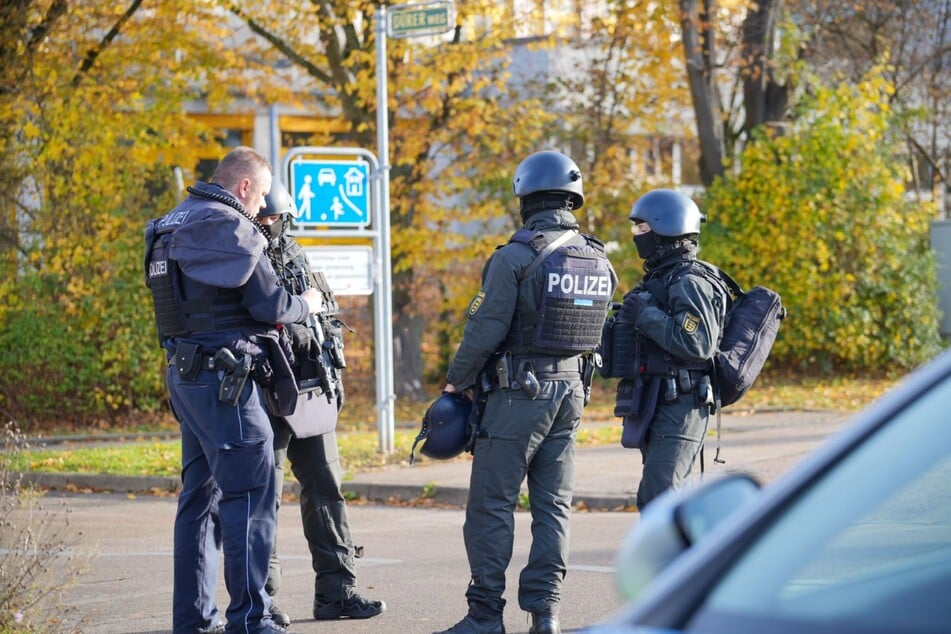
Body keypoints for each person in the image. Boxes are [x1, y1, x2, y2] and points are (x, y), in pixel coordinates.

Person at [145, 146, 324, 634]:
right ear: (244, 186)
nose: (262, 204)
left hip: (186, 378)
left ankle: (193, 621)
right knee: (249, 493)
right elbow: (270, 303)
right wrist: (306, 304)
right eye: (262, 193)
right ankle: (251, 618)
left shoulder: (167, 225)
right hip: (228, 383)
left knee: (198, 501)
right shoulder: (230, 224)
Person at [436, 150, 617, 634]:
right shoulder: (599, 259)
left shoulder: (515, 257)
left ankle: (484, 616)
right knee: (553, 506)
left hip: (519, 396)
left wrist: (458, 380)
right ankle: (546, 613)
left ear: (527, 198)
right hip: (571, 393)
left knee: (492, 505)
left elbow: (484, 330)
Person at [256, 184, 385, 627]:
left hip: (310, 391)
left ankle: (338, 592)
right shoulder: (240, 255)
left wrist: (334, 374)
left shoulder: (297, 257)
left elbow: (325, 319)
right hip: (264, 394)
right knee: (263, 499)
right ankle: (263, 603)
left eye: (270, 217)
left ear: (285, 217)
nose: (264, 223)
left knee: (326, 490)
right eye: (260, 217)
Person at [616, 188, 729, 510]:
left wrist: (645, 314)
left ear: (667, 227)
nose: (637, 235)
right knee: (657, 497)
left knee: (661, 499)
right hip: (659, 402)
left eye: (643, 228)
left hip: (682, 404)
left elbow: (698, 343)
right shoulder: (664, 278)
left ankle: (681, 561)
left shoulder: (689, 281)